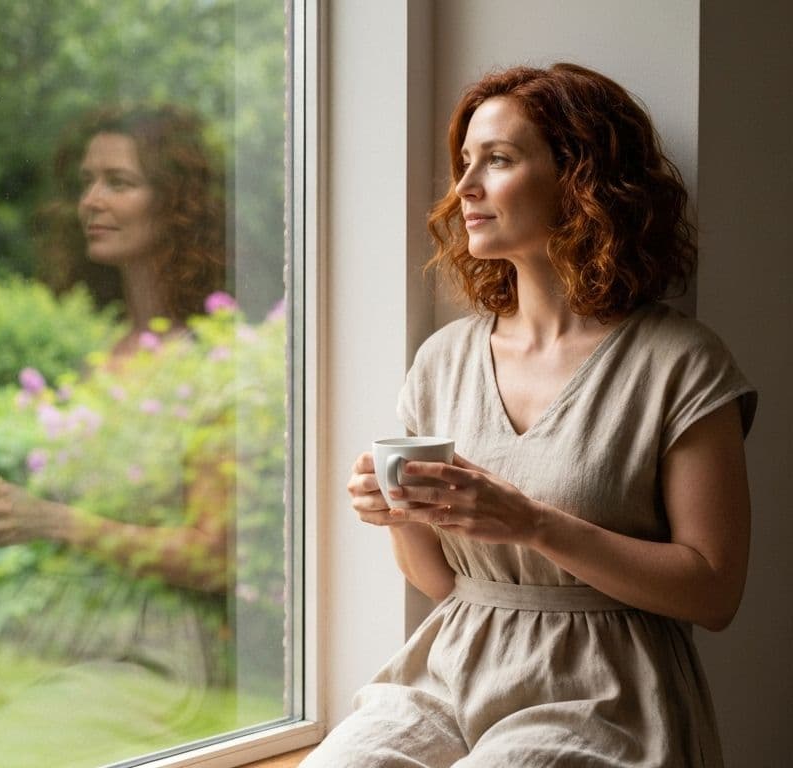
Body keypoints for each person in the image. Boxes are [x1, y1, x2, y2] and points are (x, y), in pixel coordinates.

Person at [304, 63, 757, 767]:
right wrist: (398, 509)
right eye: (464, 164)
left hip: (601, 686)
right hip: (448, 670)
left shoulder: (679, 361)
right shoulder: (443, 358)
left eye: (499, 160)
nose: (466, 189)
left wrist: (533, 523)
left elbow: (714, 589)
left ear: (581, 181)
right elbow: (442, 582)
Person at [0, 105, 251, 767]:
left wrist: (48, 519)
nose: (90, 200)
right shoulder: (112, 349)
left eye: (118, 182)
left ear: (179, 206)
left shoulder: (216, 361)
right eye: (86, 180)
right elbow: (75, 519)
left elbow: (213, 555)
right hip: (40, 626)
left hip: (146, 656)